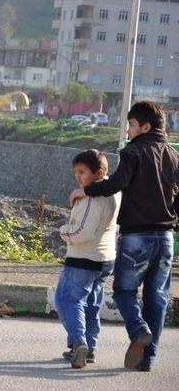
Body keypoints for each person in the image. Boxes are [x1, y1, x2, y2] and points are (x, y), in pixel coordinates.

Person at [70, 101, 179, 372]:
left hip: (137, 237)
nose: (128, 131)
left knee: (124, 290)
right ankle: (147, 359)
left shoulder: (134, 152)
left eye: (131, 125)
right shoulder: (175, 157)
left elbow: (117, 183)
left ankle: (139, 329)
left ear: (145, 126)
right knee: (157, 298)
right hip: (166, 238)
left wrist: (88, 190)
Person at [56, 149, 120, 369]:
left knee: (66, 300)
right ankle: (89, 349)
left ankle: (79, 342)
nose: (78, 176)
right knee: (91, 305)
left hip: (84, 258)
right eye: (75, 171)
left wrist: (63, 230)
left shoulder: (93, 198)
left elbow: (82, 232)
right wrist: (82, 192)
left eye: (82, 172)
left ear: (99, 173)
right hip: (105, 259)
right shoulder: (112, 192)